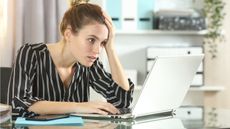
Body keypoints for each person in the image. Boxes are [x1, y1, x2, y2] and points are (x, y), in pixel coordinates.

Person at [7, 0, 134, 118]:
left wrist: (110, 48)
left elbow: (122, 101)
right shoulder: (31, 54)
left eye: (102, 43)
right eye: (91, 40)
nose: (97, 50)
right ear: (68, 34)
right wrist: (79, 107)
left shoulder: (89, 64)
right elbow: (18, 105)